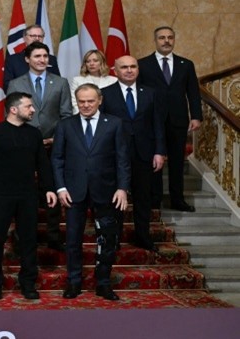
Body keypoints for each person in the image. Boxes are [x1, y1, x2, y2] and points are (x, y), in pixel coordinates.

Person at [51, 83, 130, 301]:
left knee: (107, 239)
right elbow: (57, 159)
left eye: (90, 101)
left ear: (100, 100)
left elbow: (122, 159)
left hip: (106, 191)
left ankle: (103, 283)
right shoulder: (65, 125)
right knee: (73, 240)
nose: (86, 105)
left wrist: (122, 188)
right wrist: (60, 188)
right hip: (73, 192)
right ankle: (74, 282)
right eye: (82, 101)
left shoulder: (114, 123)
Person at [0, 92, 57, 300]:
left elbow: (42, 163)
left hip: (27, 195)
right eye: (28, 106)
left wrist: (49, 188)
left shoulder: (34, 133)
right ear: (13, 109)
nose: (33, 110)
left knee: (29, 241)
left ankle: (28, 283)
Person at [6, 41, 72, 250]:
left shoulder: (60, 82)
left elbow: (66, 115)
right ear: (27, 59)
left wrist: (56, 138)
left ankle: (53, 236)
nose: (42, 60)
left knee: (51, 188)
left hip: (53, 144)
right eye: (37, 56)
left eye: (45, 56)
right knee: (23, 192)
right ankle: (22, 238)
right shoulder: (15, 83)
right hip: (24, 145)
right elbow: (12, 115)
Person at [102, 56, 166, 251]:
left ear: (138, 69)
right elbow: (102, 127)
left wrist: (159, 151)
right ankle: (114, 238)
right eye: (124, 67)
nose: (129, 70)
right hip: (115, 155)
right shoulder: (105, 93)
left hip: (144, 154)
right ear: (115, 71)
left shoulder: (150, 93)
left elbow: (158, 124)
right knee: (116, 198)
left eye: (133, 66)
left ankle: (142, 236)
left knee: (143, 198)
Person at [138, 26, 203, 211]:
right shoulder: (143, 64)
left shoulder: (186, 64)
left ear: (174, 40)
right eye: (162, 38)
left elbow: (193, 92)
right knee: (154, 161)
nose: (166, 41)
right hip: (152, 121)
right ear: (155, 40)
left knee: (177, 162)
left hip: (178, 120)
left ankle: (177, 200)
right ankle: (154, 199)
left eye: (170, 37)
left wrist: (196, 116)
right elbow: (139, 93)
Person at [3, 24, 60, 91]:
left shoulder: (51, 59)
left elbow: (58, 83)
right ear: (24, 38)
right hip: (22, 96)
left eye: (40, 36)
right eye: (33, 36)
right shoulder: (12, 60)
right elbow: (8, 86)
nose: (37, 38)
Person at [69, 49, 118, 114]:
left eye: (95, 61)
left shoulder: (113, 80)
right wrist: (84, 115)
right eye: (88, 61)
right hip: (84, 115)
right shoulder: (77, 80)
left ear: (102, 62)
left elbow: (115, 102)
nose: (91, 64)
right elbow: (74, 102)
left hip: (108, 116)